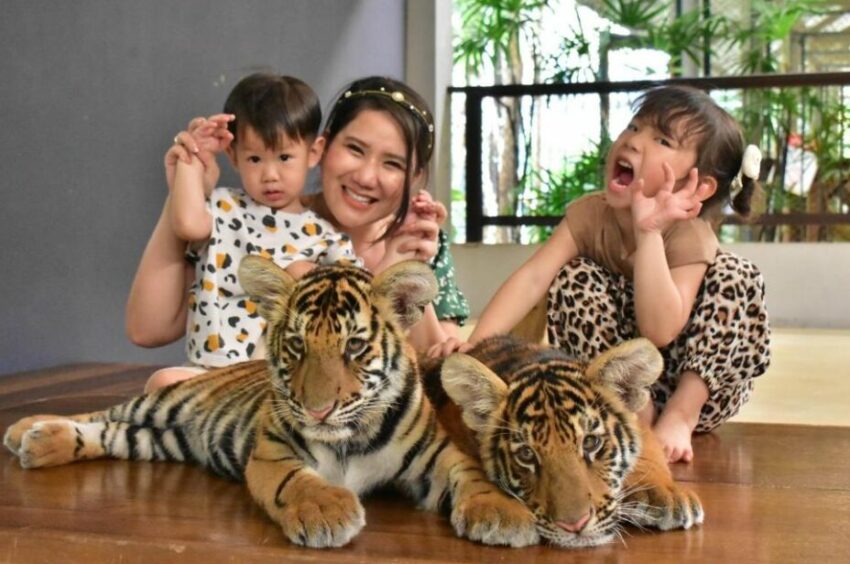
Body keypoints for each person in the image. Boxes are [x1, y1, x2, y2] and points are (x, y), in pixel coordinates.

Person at [451, 85, 770, 464]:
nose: (634, 142)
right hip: (610, 388)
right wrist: (478, 346)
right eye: (634, 127)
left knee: (737, 274)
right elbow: (533, 278)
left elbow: (661, 329)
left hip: (691, 383)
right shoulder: (590, 215)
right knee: (574, 274)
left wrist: (648, 231)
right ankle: (632, 410)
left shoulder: (689, 233)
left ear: (696, 186)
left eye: (662, 140)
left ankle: (680, 416)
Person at [126, 76, 469, 390]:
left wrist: (403, 266)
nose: (367, 176)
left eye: (392, 164)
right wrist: (183, 192)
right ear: (322, 146)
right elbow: (148, 328)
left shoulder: (421, 239)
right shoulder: (261, 220)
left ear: (415, 177)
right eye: (355, 149)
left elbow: (437, 361)